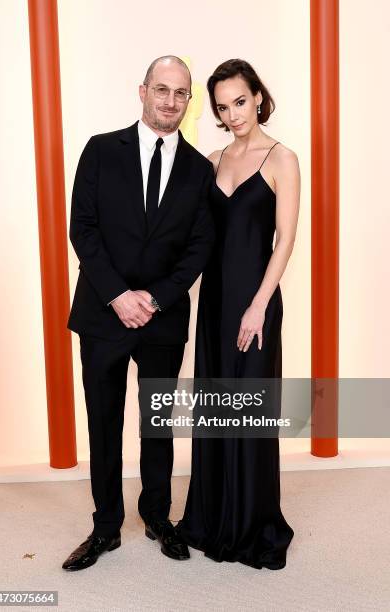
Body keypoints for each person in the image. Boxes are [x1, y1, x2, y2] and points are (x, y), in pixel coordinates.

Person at [62, 56, 215, 571]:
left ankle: (157, 517)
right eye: (162, 90)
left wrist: (155, 298)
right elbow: (82, 228)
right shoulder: (102, 150)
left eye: (181, 94)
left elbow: (199, 248)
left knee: (157, 424)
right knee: (102, 423)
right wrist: (118, 296)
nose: (171, 102)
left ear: (188, 102)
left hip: (162, 319)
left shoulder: (199, 168)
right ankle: (106, 527)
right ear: (143, 91)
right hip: (103, 314)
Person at [179, 59, 300, 569]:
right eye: (223, 107)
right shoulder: (210, 160)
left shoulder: (282, 158)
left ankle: (252, 524)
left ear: (258, 97)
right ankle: (212, 518)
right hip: (213, 308)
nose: (234, 115)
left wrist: (258, 306)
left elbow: (285, 240)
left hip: (256, 305)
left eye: (241, 101)